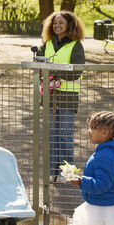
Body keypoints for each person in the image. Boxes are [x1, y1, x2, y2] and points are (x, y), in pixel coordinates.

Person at [37, 11, 85, 182]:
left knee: (64, 135)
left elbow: (77, 72)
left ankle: (68, 174)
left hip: (67, 96)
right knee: (51, 135)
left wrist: (55, 72)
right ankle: (52, 172)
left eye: (61, 23)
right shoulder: (47, 44)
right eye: (54, 23)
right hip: (49, 96)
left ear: (69, 25)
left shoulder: (76, 46)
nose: (57, 26)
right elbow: (39, 67)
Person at [70, 111, 114, 225]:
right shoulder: (107, 152)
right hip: (104, 204)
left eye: (92, 128)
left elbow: (102, 184)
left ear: (105, 132)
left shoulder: (105, 155)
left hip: (102, 210)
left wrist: (81, 181)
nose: (89, 131)